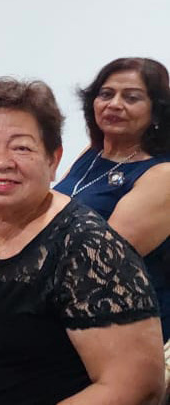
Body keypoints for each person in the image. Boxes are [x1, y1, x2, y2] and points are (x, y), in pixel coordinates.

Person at [0, 79, 164, 404]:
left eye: (21, 147)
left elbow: (137, 383)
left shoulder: (86, 244)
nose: (0, 162)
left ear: (53, 160)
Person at [55, 57, 170, 339]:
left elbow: (103, 262)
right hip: (61, 298)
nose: (114, 104)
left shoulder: (162, 174)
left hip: (117, 320)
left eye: (131, 98)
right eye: (106, 94)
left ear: (156, 112)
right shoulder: (93, 154)